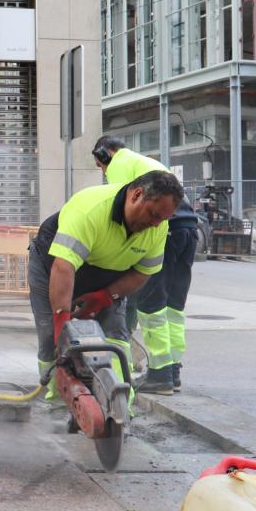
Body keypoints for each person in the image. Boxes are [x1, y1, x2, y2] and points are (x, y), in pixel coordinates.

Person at [28, 171, 184, 403]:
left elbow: (143, 272)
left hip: (109, 277)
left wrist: (105, 296)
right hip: (54, 267)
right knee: (52, 336)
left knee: (117, 337)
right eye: (153, 214)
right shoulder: (90, 208)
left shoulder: (157, 226)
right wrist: (62, 319)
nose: (155, 224)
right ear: (137, 195)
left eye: (162, 219)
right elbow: (64, 266)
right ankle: (57, 401)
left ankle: (120, 407)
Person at [92, 136, 200, 396]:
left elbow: (121, 209)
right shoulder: (143, 161)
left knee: (152, 304)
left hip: (164, 229)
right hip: (188, 229)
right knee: (174, 306)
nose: (103, 171)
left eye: (100, 165)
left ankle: (160, 374)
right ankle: (172, 371)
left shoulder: (119, 163)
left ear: (105, 154)